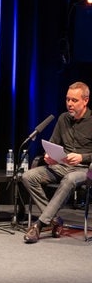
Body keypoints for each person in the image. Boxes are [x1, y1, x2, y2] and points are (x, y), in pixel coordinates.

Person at [22, 81, 92, 243]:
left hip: (85, 170)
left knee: (69, 179)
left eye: (74, 100)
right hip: (62, 166)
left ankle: (38, 225)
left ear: (85, 101)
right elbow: (53, 143)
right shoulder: (63, 119)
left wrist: (82, 157)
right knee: (28, 176)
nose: (69, 104)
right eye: (68, 100)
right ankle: (55, 220)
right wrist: (49, 155)